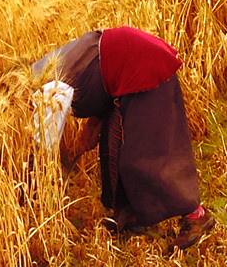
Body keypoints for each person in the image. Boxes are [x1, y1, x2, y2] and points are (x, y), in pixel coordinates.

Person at [30, 26, 215, 253]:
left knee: (142, 156)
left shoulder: (46, 91)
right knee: (113, 146)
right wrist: (93, 127)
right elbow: (99, 77)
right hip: (126, 69)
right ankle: (130, 216)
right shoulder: (40, 74)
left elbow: (42, 156)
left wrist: (35, 190)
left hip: (143, 67)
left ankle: (196, 215)